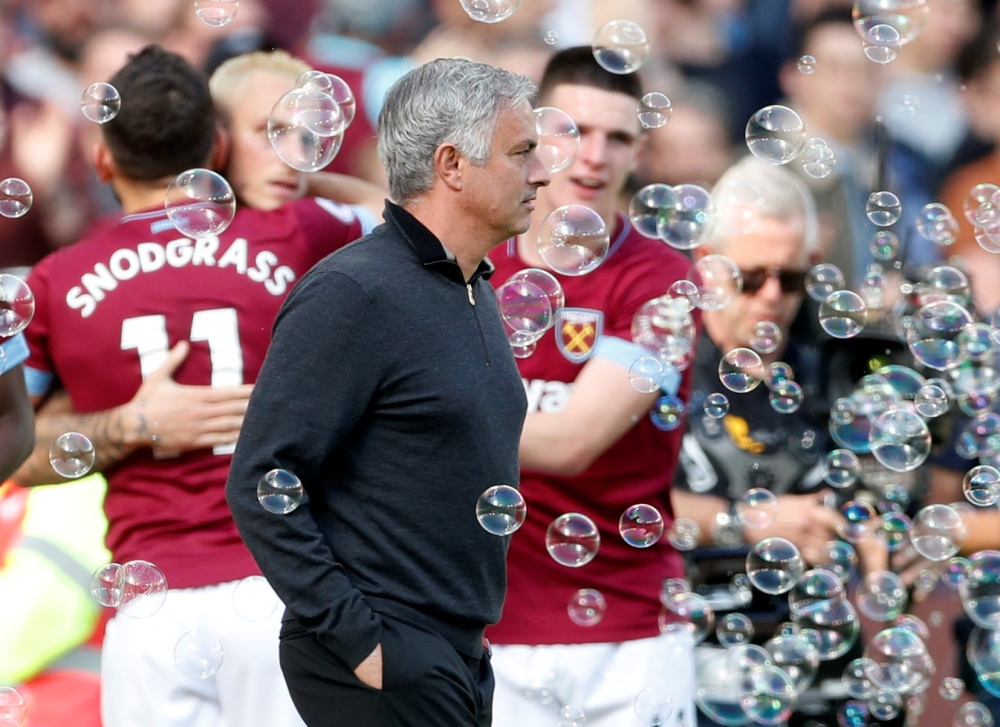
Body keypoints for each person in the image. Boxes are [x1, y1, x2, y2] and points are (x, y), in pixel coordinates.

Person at [16, 45, 372, 727]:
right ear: (217, 144)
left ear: (101, 160)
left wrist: (129, 422)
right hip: (290, 588)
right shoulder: (294, 234)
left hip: (150, 611)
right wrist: (294, 174)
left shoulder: (54, 282)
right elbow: (416, 224)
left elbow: (13, 452)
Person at [225, 57, 548, 727]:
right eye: (523, 153)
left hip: (454, 650)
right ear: (452, 165)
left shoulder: (474, 286)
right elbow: (261, 479)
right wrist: (361, 641)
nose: (542, 173)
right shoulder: (354, 291)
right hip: (382, 650)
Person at [485, 46, 697, 727]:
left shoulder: (662, 282)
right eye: (573, 130)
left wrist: (398, 421)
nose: (595, 154)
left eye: (619, 137)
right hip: (486, 623)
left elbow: (574, 439)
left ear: (639, 154)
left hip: (629, 632)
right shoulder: (468, 260)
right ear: (531, 132)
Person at [670, 156, 891, 727]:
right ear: (707, 264)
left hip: (816, 668)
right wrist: (747, 521)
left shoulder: (839, 365)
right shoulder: (661, 364)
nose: (772, 296)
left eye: (791, 278)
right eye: (751, 276)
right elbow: (619, 507)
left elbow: (885, 491)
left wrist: (864, 521)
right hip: (688, 662)